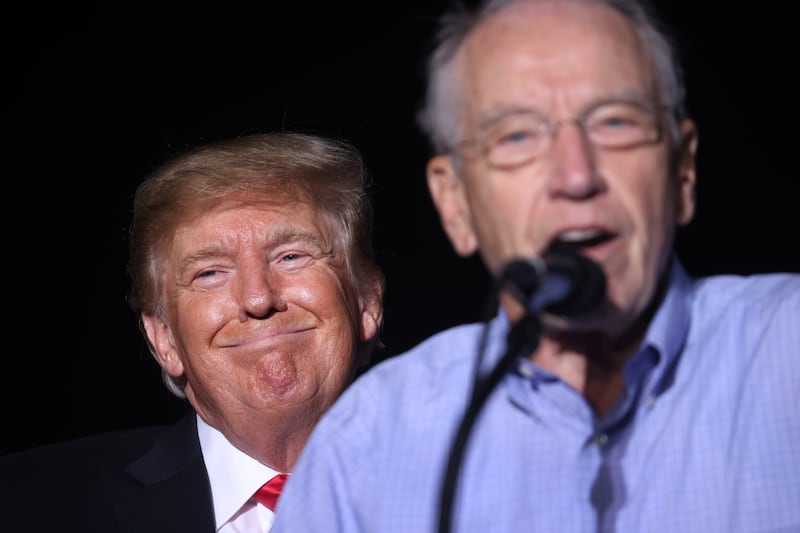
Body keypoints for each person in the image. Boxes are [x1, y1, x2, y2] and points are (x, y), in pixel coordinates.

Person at [271, 1, 800, 532]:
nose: (575, 175)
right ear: (454, 203)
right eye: (518, 136)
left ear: (683, 171)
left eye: (616, 121)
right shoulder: (365, 446)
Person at [0, 132, 385, 532]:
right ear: (164, 339)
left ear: (366, 302)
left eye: (290, 256)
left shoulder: (453, 484)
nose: (257, 299)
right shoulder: (23, 506)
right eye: (211, 272)